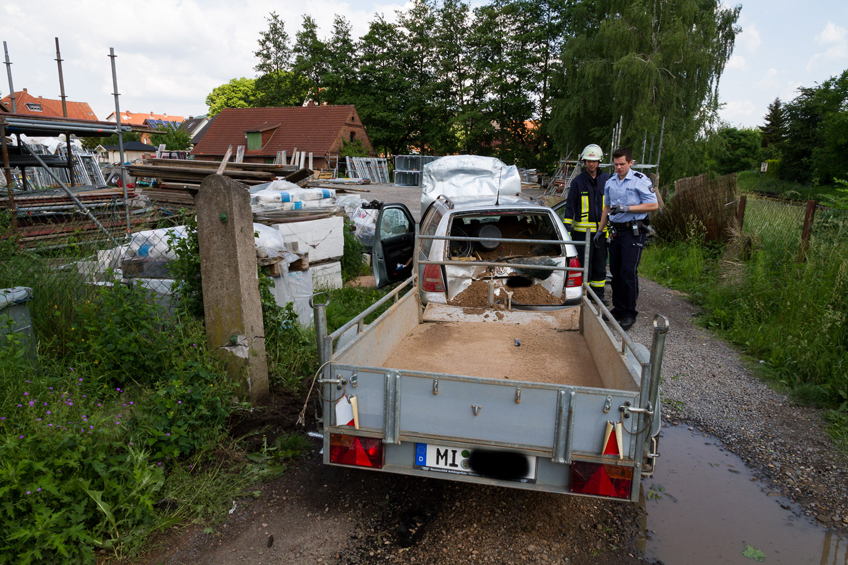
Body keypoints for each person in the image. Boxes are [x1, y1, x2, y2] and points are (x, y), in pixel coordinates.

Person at [599, 147, 658, 331]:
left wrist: (627, 208)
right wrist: (599, 232)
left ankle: (629, 313)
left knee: (628, 272)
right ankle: (618, 308)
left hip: (633, 231)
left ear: (630, 163)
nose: (618, 168)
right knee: (616, 271)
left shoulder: (640, 180)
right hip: (616, 231)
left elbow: (653, 204)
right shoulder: (610, 182)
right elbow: (606, 208)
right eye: (616, 164)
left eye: (622, 164)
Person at [561, 144, 610, 303]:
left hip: (601, 233)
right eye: (588, 160)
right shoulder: (577, 182)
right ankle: (583, 297)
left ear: (599, 161)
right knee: (583, 267)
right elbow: (570, 207)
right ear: (584, 161)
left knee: (600, 267)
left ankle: (598, 298)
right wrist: (567, 231)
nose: (591, 164)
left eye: (594, 161)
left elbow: (612, 206)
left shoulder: (607, 180)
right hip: (581, 235)